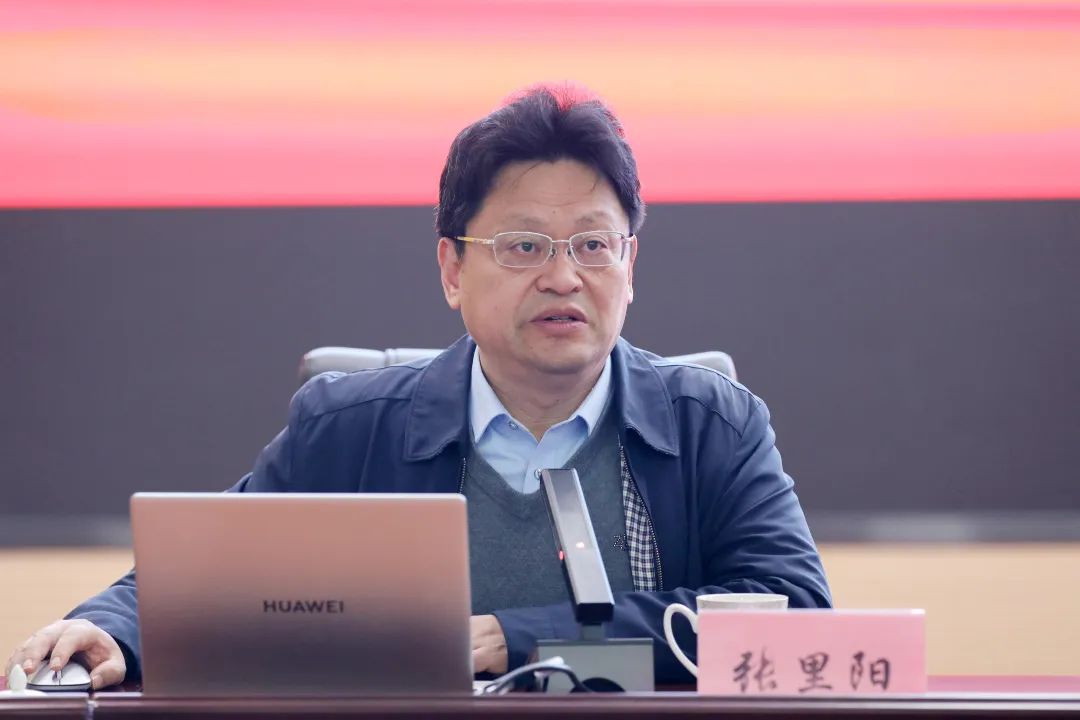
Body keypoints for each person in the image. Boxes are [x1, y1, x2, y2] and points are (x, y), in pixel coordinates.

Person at [6, 84, 831, 688]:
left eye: (592, 246)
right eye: (523, 247)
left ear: (630, 265)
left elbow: (794, 616)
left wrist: (524, 639)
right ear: (452, 269)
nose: (563, 277)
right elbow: (208, 580)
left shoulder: (710, 424)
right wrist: (109, 628)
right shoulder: (350, 426)